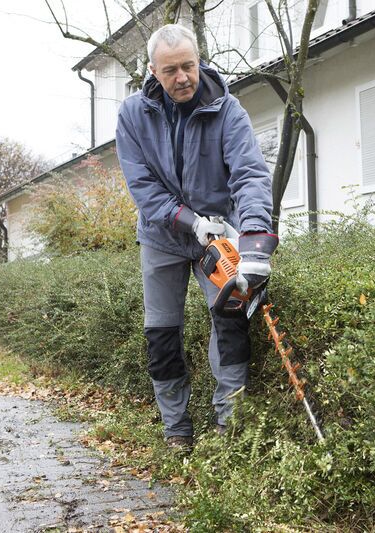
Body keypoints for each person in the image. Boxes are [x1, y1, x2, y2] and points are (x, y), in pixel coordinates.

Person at [115, 24, 278, 451]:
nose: (182, 77)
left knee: (230, 324)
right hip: (161, 236)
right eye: (170, 71)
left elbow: (250, 175)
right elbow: (143, 187)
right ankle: (177, 431)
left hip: (219, 237)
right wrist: (189, 220)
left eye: (188, 66)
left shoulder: (228, 109)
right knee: (162, 333)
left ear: (199, 60)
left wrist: (255, 240)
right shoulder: (133, 114)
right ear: (152, 70)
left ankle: (229, 427)